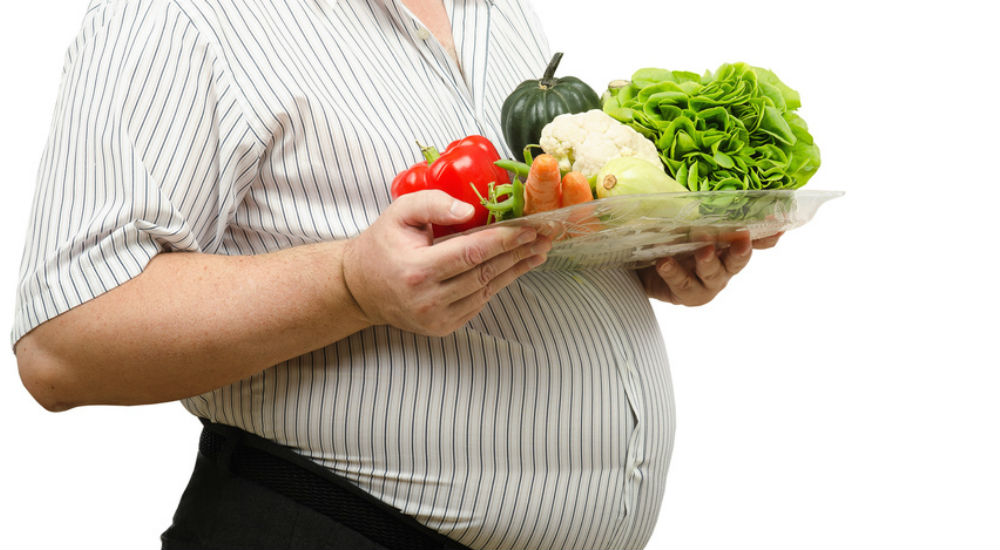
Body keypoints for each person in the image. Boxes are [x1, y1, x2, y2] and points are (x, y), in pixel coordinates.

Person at [12, 0, 778, 548]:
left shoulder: (486, 9)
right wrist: (348, 282)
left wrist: (639, 254)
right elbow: (63, 346)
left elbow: (513, 224)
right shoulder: (177, 15)